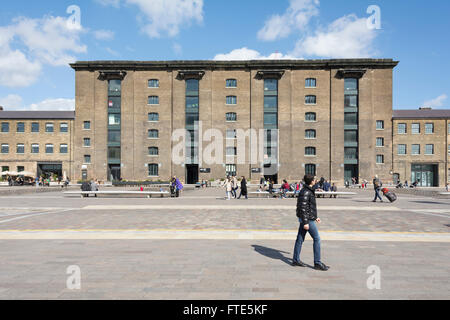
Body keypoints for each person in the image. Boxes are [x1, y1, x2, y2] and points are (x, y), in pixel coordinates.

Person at [292, 174, 329, 271]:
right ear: (311, 181)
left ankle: (296, 259)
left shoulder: (308, 189)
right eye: (314, 179)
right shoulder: (306, 192)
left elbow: (309, 207)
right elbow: (303, 208)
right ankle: (317, 262)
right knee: (317, 239)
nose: (315, 181)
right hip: (307, 220)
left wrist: (315, 217)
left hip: (307, 218)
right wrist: (305, 222)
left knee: (300, 239)